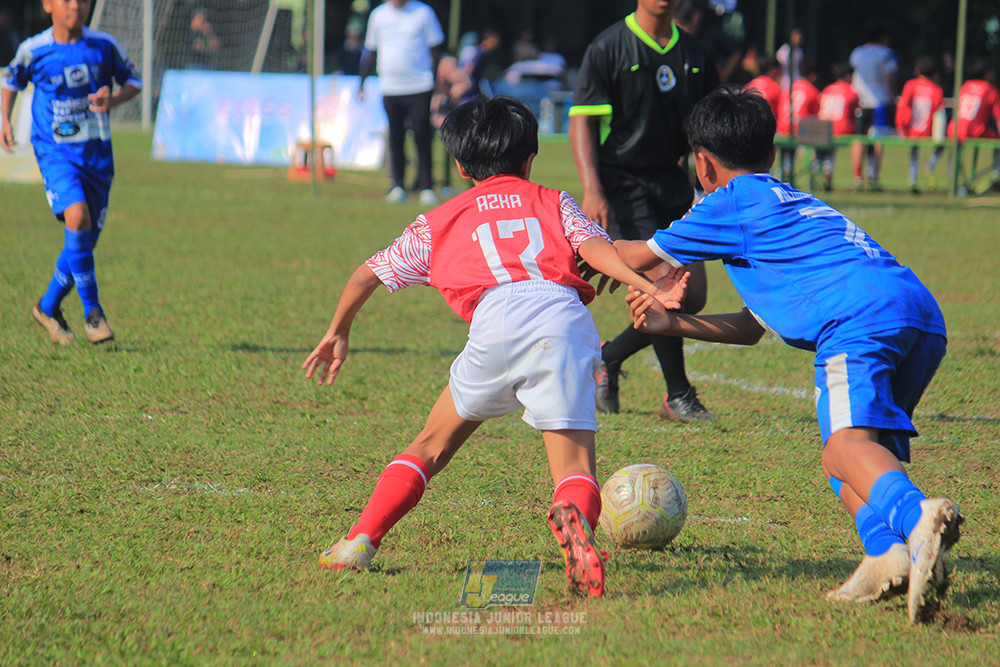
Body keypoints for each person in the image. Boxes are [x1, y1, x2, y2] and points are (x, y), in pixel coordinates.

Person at [302, 96, 688, 597]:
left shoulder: (437, 221)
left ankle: (359, 541)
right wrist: (650, 285)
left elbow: (366, 274)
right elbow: (599, 251)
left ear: (461, 165)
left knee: (429, 445)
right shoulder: (553, 200)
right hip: (558, 317)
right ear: (530, 160)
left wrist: (339, 329)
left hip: (492, 322)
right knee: (573, 469)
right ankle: (577, 526)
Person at [620, 87, 962, 625]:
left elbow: (635, 256)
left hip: (857, 320)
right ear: (773, 153)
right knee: (847, 456)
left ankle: (918, 518)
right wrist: (672, 323)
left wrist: (566, 242)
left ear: (702, 164)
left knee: (846, 447)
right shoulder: (790, 207)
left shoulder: (727, 202)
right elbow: (750, 329)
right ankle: (885, 556)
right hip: (918, 315)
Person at [569, 0, 718, 422]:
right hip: (623, 182)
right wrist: (592, 189)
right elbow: (582, 119)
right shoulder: (609, 47)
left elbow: (709, 128)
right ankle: (678, 394)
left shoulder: (695, 53)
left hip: (673, 183)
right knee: (664, 286)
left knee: (694, 295)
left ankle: (608, 358)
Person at [1, 0, 140, 346]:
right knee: (77, 218)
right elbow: (11, 79)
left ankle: (47, 307)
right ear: (48, 4)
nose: (74, 5)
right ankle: (94, 315)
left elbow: (133, 81)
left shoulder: (103, 45)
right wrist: (4, 117)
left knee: (82, 244)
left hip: (97, 158)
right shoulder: (34, 50)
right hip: (55, 153)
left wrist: (114, 100)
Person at [359, 0, 444, 206]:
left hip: (420, 85)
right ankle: (397, 185)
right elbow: (371, 51)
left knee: (422, 135)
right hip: (390, 86)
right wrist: (360, 81)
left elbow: (436, 49)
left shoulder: (423, 13)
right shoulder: (378, 15)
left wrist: (436, 83)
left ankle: (425, 186)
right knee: (395, 136)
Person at [850, 25, 898, 190]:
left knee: (859, 138)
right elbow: (889, 76)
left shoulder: (857, 52)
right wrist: (893, 96)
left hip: (861, 101)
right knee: (878, 139)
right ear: (882, 38)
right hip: (879, 101)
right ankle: (873, 176)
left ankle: (857, 177)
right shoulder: (886, 54)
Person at [895, 55, 946, 193]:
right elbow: (940, 114)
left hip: (911, 130)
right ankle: (931, 164)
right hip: (928, 131)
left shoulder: (910, 85)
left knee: (914, 148)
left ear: (917, 70)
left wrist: (901, 126)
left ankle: (912, 177)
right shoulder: (937, 90)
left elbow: (903, 106)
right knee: (943, 145)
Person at [948, 59, 1000, 170]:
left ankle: (953, 178)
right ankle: (997, 175)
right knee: (997, 142)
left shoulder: (966, 85)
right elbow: (998, 118)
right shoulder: (991, 90)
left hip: (954, 128)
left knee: (956, 152)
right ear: (986, 74)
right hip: (975, 131)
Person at [818, 61, 860, 191]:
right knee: (860, 138)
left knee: (825, 150)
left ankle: (823, 174)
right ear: (848, 76)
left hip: (822, 129)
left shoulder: (827, 89)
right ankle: (859, 177)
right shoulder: (852, 92)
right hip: (841, 129)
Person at [744, 55, 781, 121]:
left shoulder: (751, 84)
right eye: (779, 70)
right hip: (765, 125)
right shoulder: (774, 86)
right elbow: (779, 114)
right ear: (772, 69)